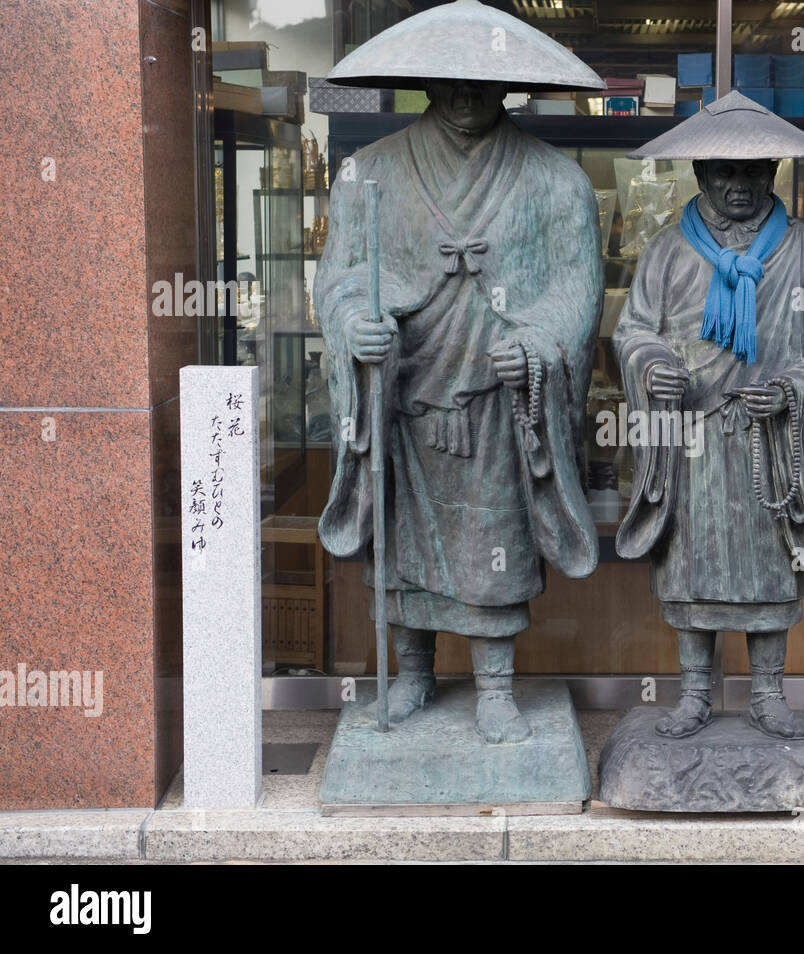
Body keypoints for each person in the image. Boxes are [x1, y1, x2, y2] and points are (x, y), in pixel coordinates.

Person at [314, 3, 605, 743]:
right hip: (405, 397)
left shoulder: (555, 181)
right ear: (424, 81)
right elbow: (339, 277)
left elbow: (576, 291)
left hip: (497, 400)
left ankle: (496, 686)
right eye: (451, 78)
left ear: (508, 85)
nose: (467, 92)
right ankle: (412, 674)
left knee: (490, 545)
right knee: (405, 545)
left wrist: (537, 345)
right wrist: (355, 325)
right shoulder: (368, 173)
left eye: (484, 80)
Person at [614, 92, 804, 740]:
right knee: (692, 562)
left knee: (769, 564)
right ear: (698, 174)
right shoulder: (666, 251)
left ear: (773, 171)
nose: (739, 185)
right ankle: (694, 692)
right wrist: (651, 362)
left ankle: (768, 692)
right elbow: (633, 330)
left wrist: (794, 387)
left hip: (769, 441)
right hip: (691, 439)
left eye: (752, 171)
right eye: (724, 171)